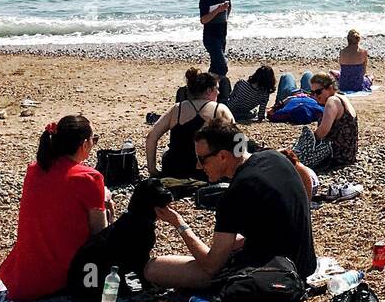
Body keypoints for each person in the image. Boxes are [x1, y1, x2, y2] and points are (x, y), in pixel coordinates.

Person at [145, 124, 318, 289]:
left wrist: (179, 223)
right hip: (306, 261)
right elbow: (305, 175)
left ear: (222, 156)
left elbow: (211, 266)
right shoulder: (275, 157)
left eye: (201, 159)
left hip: (277, 273)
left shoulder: (235, 193)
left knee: (154, 269)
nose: (198, 166)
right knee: (232, 243)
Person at [0, 116, 113, 302]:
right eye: (94, 140)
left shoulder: (34, 170)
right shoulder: (89, 178)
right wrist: (107, 204)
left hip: (23, 277)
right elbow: (100, 235)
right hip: (62, 276)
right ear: (84, 144)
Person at [146, 69, 235, 178]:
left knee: (167, 150)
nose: (219, 92)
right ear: (208, 90)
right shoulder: (220, 109)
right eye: (216, 89)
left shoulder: (177, 108)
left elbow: (151, 137)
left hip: (175, 170)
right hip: (207, 172)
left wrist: (152, 170)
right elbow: (238, 138)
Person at [293, 72, 360, 174]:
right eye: (312, 92)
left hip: (336, 156)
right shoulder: (342, 97)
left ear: (330, 88)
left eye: (318, 92)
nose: (315, 96)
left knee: (295, 160)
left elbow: (323, 131)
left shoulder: (332, 101)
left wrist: (308, 143)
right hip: (348, 154)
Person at [198, 0, 232, 78]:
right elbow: (203, 20)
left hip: (222, 35)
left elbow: (230, 7)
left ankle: (207, 88)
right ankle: (216, 88)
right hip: (210, 37)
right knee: (222, 67)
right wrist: (218, 10)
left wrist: (226, 16)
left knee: (215, 67)